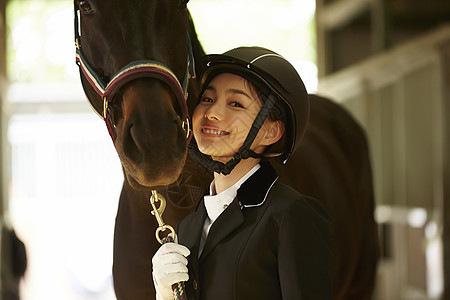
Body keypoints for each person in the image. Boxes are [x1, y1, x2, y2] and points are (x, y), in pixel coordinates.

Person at [152, 47, 333, 300]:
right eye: (207, 99)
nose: (212, 112)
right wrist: (165, 295)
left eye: (236, 103)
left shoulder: (291, 216)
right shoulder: (188, 226)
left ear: (270, 132)